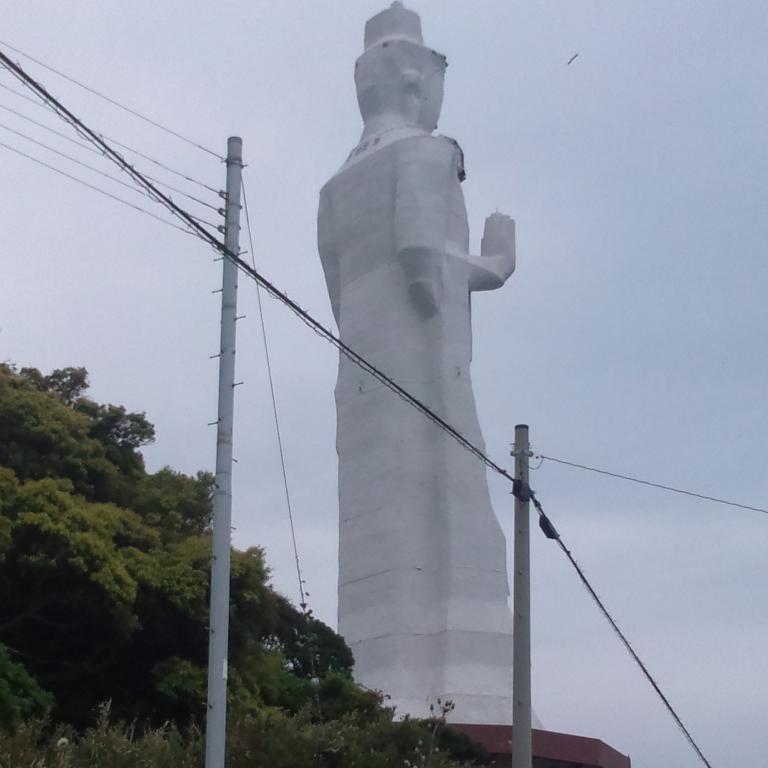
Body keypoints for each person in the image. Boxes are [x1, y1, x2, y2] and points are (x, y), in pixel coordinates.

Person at [318, 2, 516, 724]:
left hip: (364, 372)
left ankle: (378, 683)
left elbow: (339, 288)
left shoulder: (335, 187)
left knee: (378, 524)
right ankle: (453, 692)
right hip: (427, 374)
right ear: (411, 79)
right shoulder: (428, 155)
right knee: (451, 505)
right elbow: (426, 273)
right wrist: (494, 263)